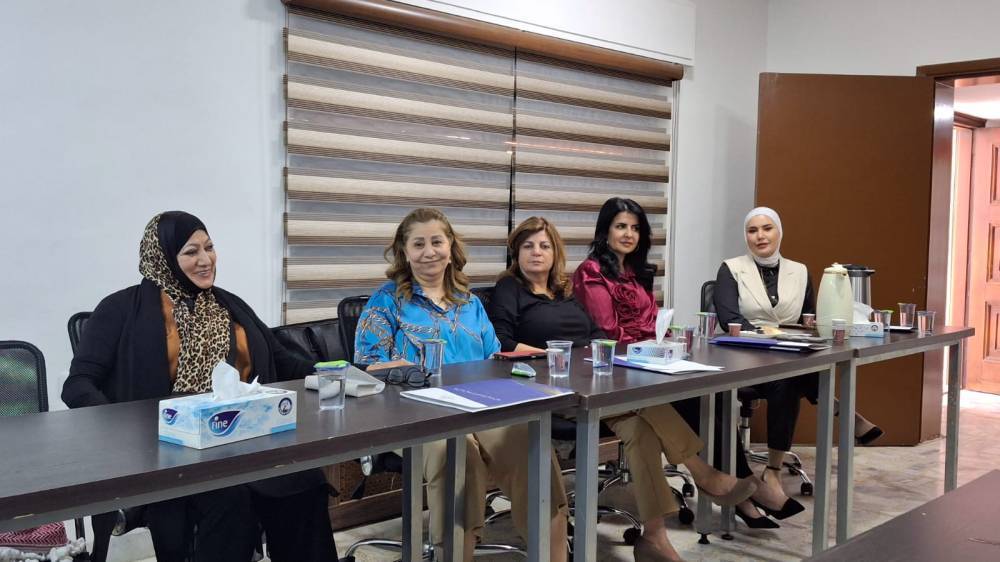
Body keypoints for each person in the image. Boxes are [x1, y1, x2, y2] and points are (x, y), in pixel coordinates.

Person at [62, 211, 338, 562]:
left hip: (242, 438)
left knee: (304, 482)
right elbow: (78, 384)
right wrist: (125, 430)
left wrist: (335, 374)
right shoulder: (119, 309)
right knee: (230, 499)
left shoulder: (230, 305)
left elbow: (283, 360)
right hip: (167, 451)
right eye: (191, 252)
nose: (206, 260)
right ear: (162, 256)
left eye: (209, 247)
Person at [494, 215, 753, 562]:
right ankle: (702, 472)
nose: (536, 253)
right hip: (548, 389)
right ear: (516, 252)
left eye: (544, 246)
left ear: (555, 253)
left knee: (639, 429)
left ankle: (655, 537)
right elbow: (503, 343)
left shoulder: (564, 291)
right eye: (528, 246)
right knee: (646, 404)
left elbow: (596, 334)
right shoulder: (509, 289)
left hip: (591, 382)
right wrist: (557, 356)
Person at [353, 207, 569, 562]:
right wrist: (402, 367)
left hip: (478, 406)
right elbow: (365, 366)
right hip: (413, 414)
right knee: (458, 450)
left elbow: (494, 359)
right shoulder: (386, 301)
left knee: (530, 439)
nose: (429, 252)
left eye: (437, 242)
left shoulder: (470, 304)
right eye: (418, 244)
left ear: (451, 248)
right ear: (404, 252)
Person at [713, 206, 884, 522]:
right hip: (745, 358)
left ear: (779, 232)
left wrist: (811, 329)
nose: (760, 236)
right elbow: (729, 320)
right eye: (752, 230)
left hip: (789, 356)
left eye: (767, 228)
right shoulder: (731, 269)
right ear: (745, 236)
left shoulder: (800, 271)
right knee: (788, 379)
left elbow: (808, 318)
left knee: (790, 377)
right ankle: (844, 415)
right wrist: (771, 335)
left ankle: (773, 471)